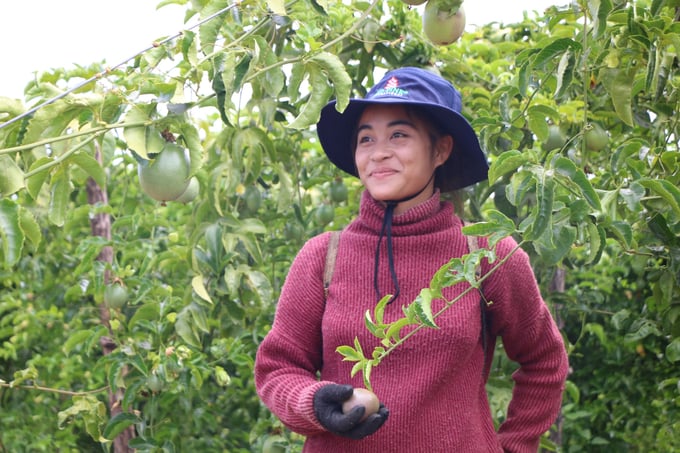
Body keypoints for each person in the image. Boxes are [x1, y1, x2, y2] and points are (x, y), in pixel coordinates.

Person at [255, 67, 569, 452]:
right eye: (365, 138)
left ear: (440, 150)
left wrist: (513, 446)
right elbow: (277, 368)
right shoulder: (323, 256)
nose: (378, 152)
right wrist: (314, 403)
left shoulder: (487, 255)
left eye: (398, 135)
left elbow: (544, 361)